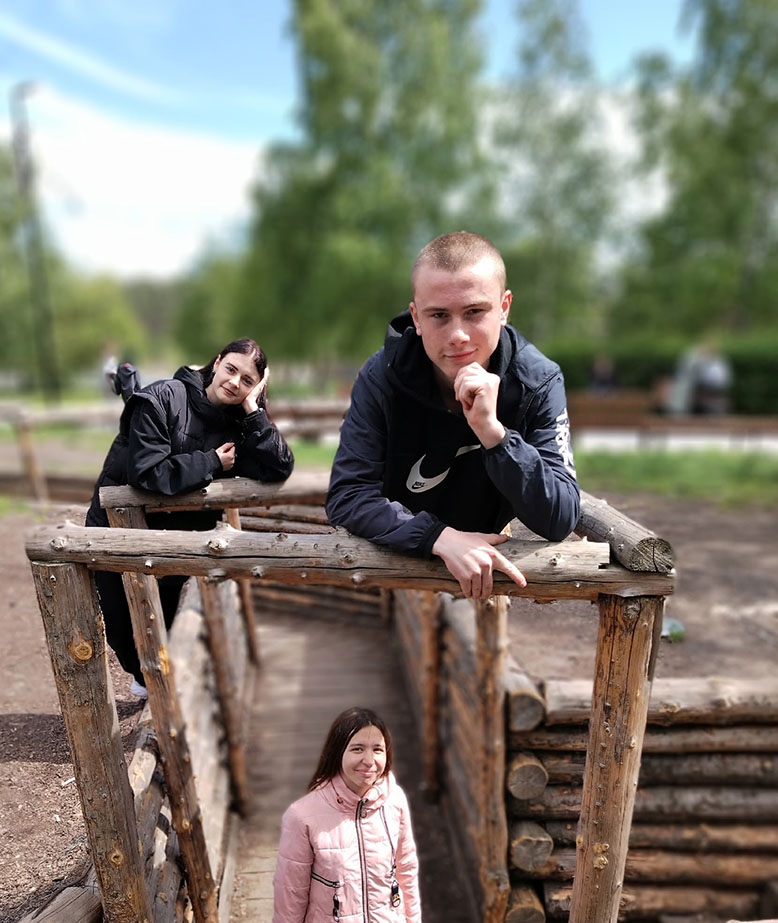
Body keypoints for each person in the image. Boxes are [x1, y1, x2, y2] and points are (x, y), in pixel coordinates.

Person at [326, 231, 581, 601]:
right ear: (416, 317)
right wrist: (439, 537)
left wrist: (494, 435)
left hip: (487, 565)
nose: (458, 335)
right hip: (402, 556)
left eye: (474, 312)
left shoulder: (538, 381)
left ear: (504, 307)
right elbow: (348, 495)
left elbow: (560, 517)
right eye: (439, 316)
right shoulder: (381, 377)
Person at [85, 338, 294, 696]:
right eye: (231, 369)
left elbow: (280, 466)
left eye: (247, 380)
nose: (235, 382)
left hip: (177, 538)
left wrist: (253, 409)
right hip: (117, 528)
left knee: (163, 620)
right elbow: (147, 471)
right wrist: (212, 462)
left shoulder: (240, 423)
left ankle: (160, 693)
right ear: (217, 362)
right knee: (121, 627)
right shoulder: (163, 397)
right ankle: (145, 680)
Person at [272, 707, 421, 923]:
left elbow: (406, 870)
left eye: (377, 749)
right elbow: (289, 901)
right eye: (357, 749)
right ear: (337, 751)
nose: (369, 760)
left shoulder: (395, 801)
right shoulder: (303, 816)